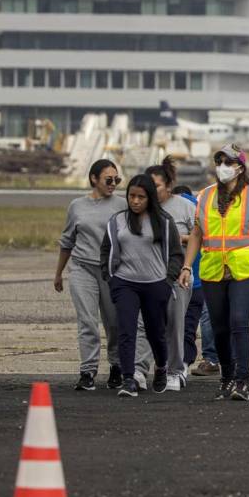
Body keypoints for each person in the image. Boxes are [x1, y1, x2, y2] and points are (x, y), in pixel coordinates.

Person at [178, 144, 249, 402]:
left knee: (239, 322)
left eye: (228, 162)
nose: (223, 166)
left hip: (245, 269)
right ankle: (226, 378)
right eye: (219, 161)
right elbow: (196, 234)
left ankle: (242, 381)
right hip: (213, 269)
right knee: (219, 328)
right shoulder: (204, 196)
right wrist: (186, 266)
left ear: (240, 166)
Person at [55, 159, 135, 391]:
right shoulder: (77, 206)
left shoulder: (122, 205)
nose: (113, 184)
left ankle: (117, 365)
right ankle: (87, 371)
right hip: (82, 269)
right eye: (108, 180)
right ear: (93, 179)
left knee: (114, 323)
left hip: (112, 271)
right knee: (87, 321)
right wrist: (59, 273)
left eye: (117, 180)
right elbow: (67, 241)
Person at [100, 174, 184, 397]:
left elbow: (176, 254)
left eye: (140, 197)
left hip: (156, 284)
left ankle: (161, 367)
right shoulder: (117, 220)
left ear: (150, 199)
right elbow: (106, 250)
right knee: (126, 330)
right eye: (131, 196)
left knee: (156, 332)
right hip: (125, 283)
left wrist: (168, 280)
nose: (135, 201)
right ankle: (129, 379)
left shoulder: (164, 222)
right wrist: (111, 277)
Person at [146, 157, 196, 391]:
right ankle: (140, 368)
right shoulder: (141, 207)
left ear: (168, 184)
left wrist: (176, 238)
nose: (150, 190)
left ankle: (176, 370)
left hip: (177, 274)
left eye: (155, 185)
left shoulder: (185, 207)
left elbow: (200, 237)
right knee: (144, 325)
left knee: (175, 325)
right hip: (147, 275)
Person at [176, 185, 219, 377]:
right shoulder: (202, 205)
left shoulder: (179, 207)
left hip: (183, 276)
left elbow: (198, 236)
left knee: (179, 323)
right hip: (205, 275)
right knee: (202, 319)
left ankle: (178, 361)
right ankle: (209, 358)